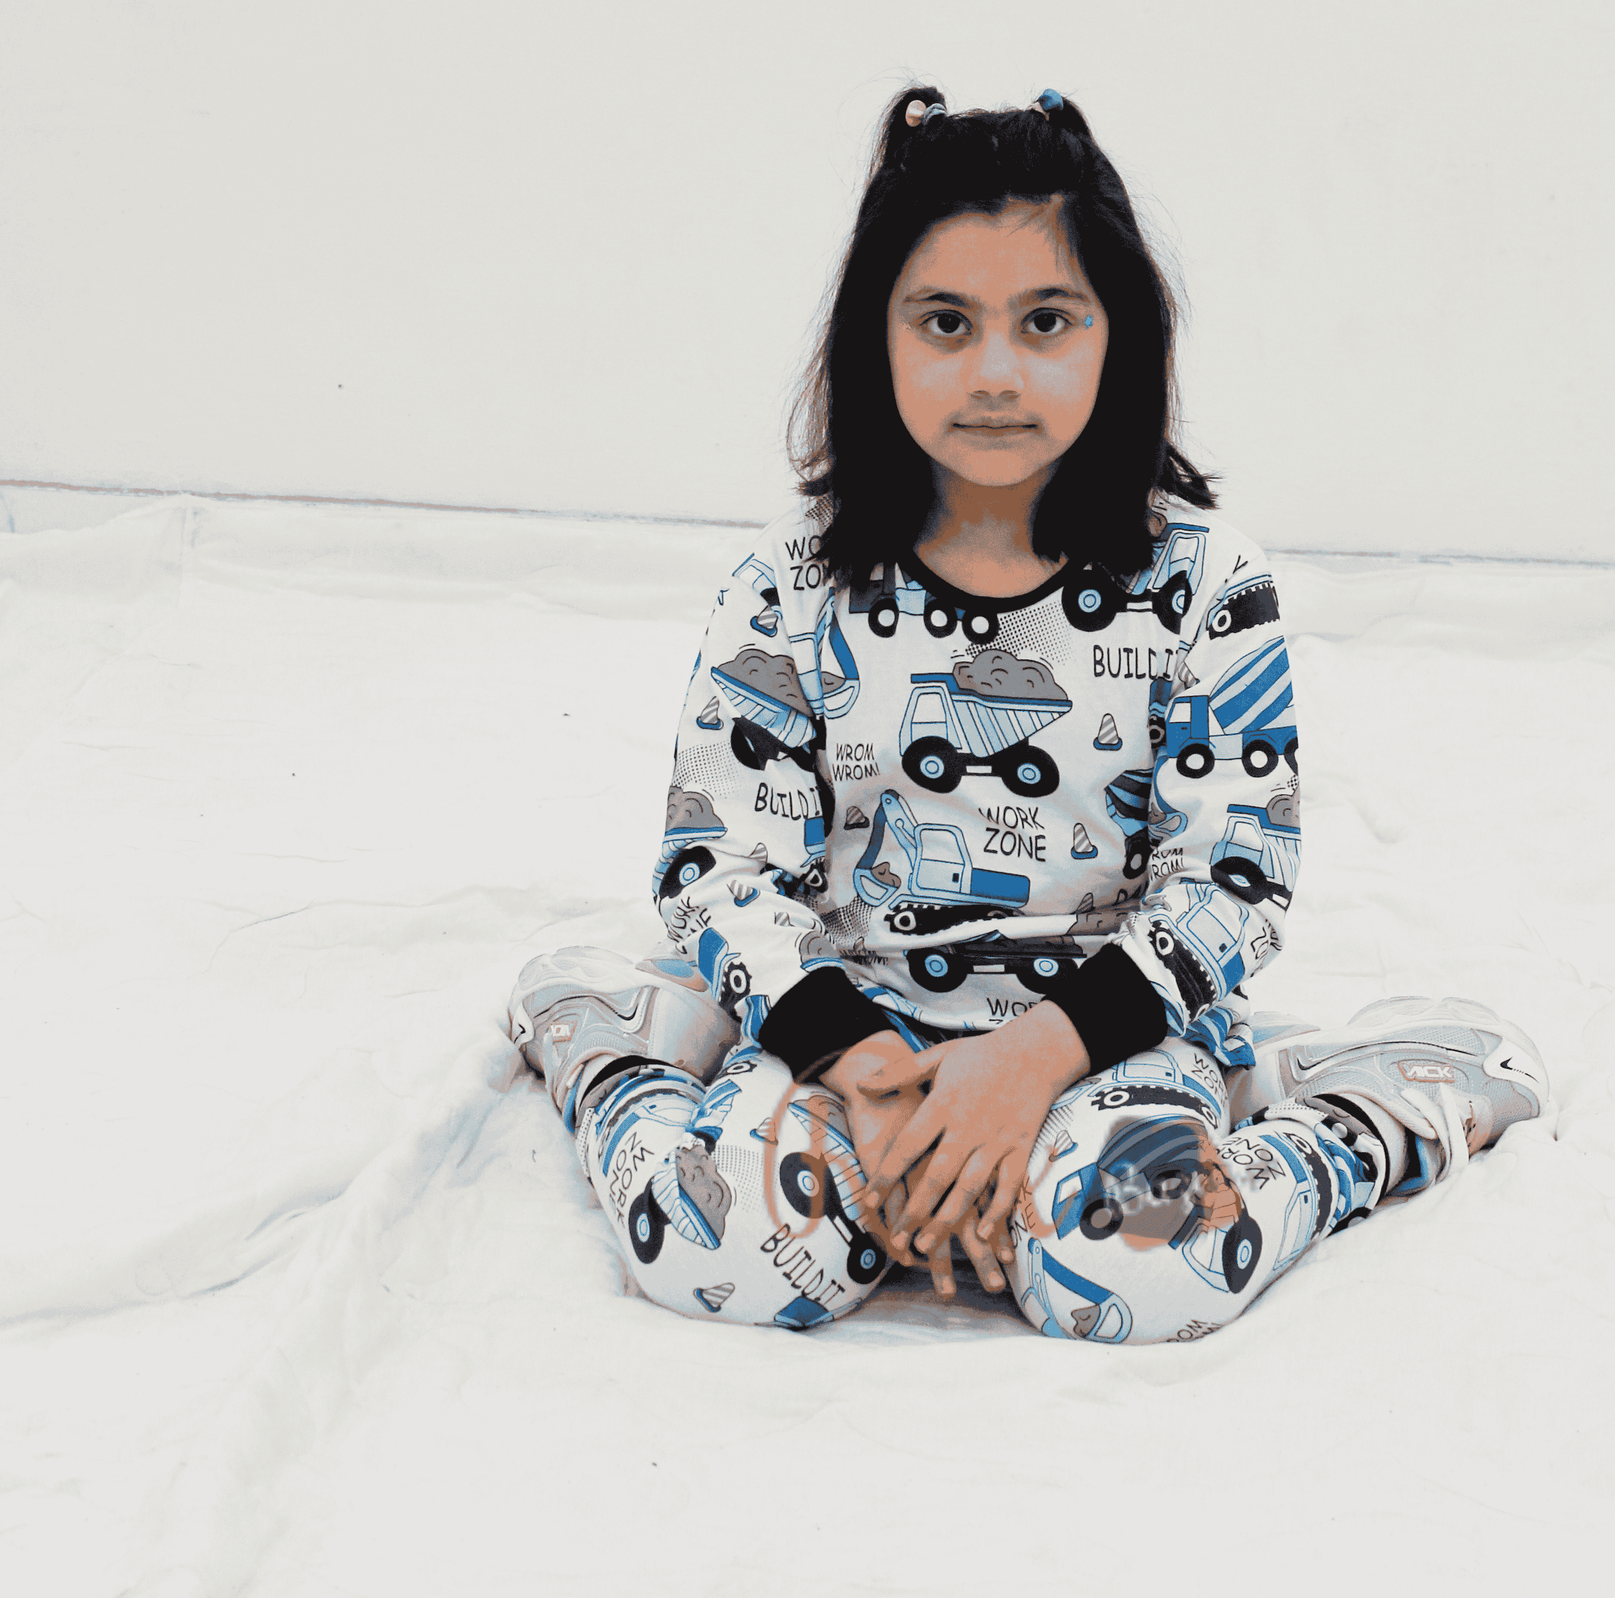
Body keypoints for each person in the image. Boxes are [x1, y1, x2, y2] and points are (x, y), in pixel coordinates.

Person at [512, 87, 1548, 1341]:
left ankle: (1354, 1111)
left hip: (1105, 1033)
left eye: (1045, 321)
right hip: (855, 1029)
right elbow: (719, 865)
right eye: (943, 322)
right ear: (874, 336)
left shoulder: (1204, 585)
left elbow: (1231, 882)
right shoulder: (787, 586)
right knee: (723, 1252)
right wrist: (868, 1074)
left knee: (1143, 1269)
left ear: (1120, 337)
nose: (995, 374)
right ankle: (618, 1057)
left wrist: (1033, 1063)